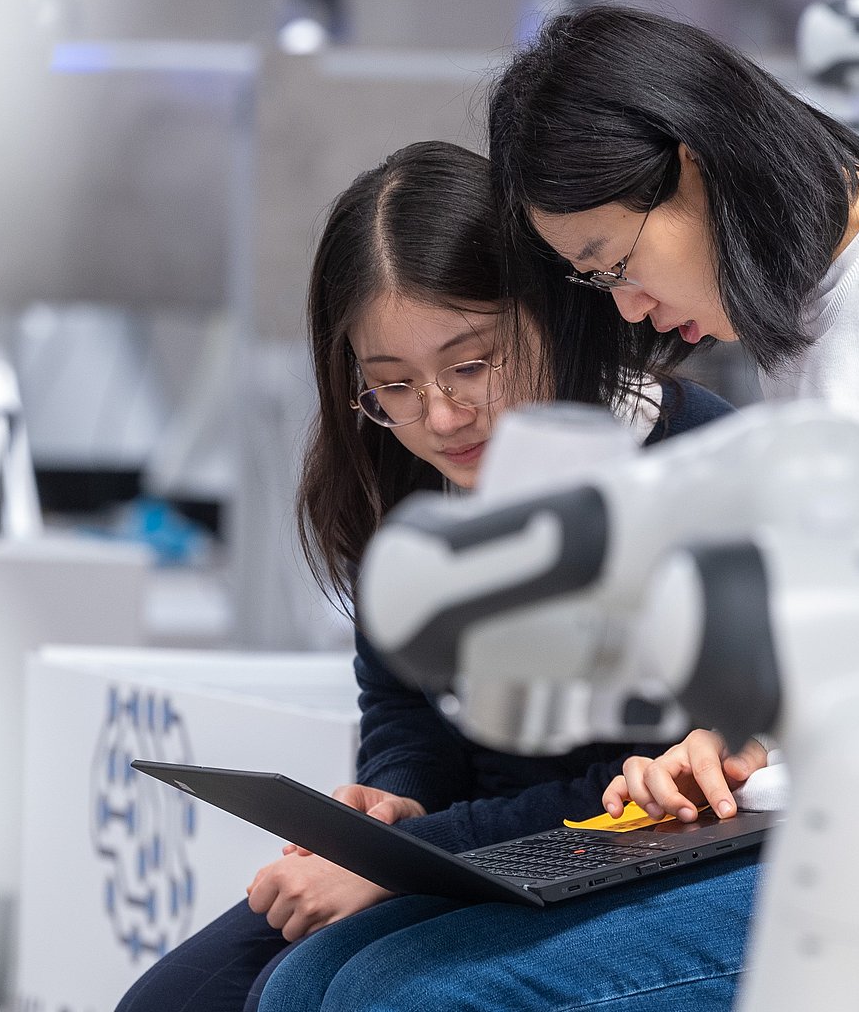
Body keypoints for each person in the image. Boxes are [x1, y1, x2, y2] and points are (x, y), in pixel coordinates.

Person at [259, 6, 859, 1012]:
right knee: (320, 981)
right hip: (800, 818)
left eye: (615, 261)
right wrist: (736, 744)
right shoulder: (810, 320)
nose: (626, 308)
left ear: (692, 169)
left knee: (400, 1003)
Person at [114, 139, 737, 1012]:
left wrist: (411, 860)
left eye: (472, 364)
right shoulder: (401, 484)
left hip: (635, 849)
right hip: (475, 851)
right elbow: (408, 712)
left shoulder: (689, 464)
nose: (441, 415)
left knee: (317, 995)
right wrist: (395, 805)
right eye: (393, 385)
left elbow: (653, 770)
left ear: (553, 308)